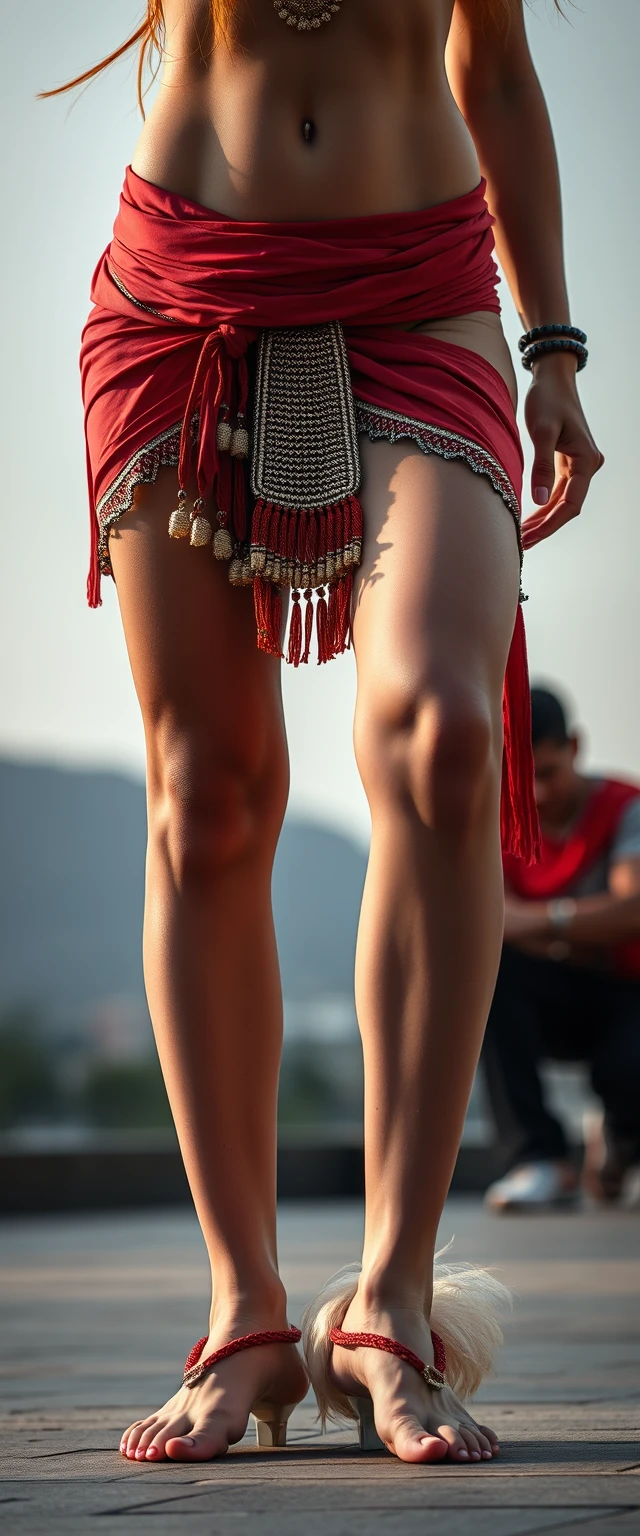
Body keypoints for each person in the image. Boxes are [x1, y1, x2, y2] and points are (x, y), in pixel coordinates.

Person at [44, 0, 603, 1466]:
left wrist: (550, 343)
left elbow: (493, 60)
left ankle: (391, 1311)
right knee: (207, 798)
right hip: (185, 288)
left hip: (419, 283)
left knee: (442, 733)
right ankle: (244, 1320)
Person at [484, 687, 640, 1212]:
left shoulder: (625, 807)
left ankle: (622, 1142)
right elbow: (487, 921)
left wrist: (541, 922)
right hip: (550, 995)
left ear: (575, 746)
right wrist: (586, 927)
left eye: (547, 772)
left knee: (628, 1069)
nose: (537, 793)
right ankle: (539, 1157)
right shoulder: (495, 822)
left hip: (627, 993)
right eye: (520, 777)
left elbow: (634, 909)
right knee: (486, 973)